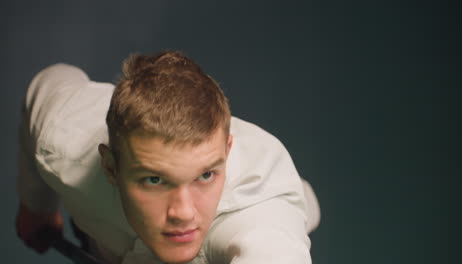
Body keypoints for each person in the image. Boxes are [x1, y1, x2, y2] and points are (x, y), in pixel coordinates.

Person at [16, 51, 320, 264]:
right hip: (106, 243)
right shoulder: (62, 136)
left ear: (227, 153)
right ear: (110, 166)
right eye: (154, 179)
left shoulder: (260, 215)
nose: (184, 213)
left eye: (205, 175)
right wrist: (36, 206)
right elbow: (51, 80)